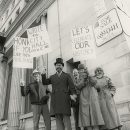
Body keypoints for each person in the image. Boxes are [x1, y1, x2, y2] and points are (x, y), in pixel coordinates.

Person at [41, 58, 77, 130]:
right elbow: (45, 82)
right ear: (55, 66)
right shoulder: (52, 77)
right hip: (56, 101)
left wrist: (73, 95)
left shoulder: (67, 75)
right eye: (57, 65)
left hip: (65, 100)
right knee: (58, 121)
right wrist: (43, 74)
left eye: (60, 65)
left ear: (62, 66)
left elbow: (72, 86)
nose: (58, 66)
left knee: (67, 121)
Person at [76, 64, 104, 130]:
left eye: (82, 69)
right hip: (84, 100)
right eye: (80, 70)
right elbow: (78, 87)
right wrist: (84, 80)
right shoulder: (78, 79)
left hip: (92, 99)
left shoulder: (90, 76)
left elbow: (96, 85)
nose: (81, 71)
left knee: (95, 119)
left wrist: (89, 76)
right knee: (87, 120)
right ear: (78, 71)